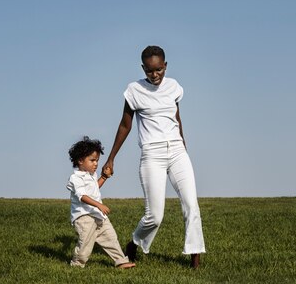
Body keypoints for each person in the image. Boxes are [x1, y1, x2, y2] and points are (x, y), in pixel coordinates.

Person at [102, 45, 205, 268]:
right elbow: (125, 125)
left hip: (177, 151)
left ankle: (195, 256)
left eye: (159, 69)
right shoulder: (134, 91)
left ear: (165, 66)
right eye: (150, 71)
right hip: (152, 155)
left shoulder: (174, 87)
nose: (155, 75)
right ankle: (133, 244)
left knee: (191, 205)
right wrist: (111, 158)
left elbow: (176, 117)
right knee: (155, 216)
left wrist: (183, 145)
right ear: (143, 68)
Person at [67, 136, 136, 269]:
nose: (96, 164)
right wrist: (99, 204)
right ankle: (77, 264)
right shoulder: (76, 178)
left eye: (97, 160)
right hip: (84, 216)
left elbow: (94, 188)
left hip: (98, 215)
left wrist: (104, 177)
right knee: (86, 243)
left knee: (111, 237)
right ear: (80, 160)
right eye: (92, 160)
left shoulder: (92, 176)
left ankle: (121, 261)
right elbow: (83, 196)